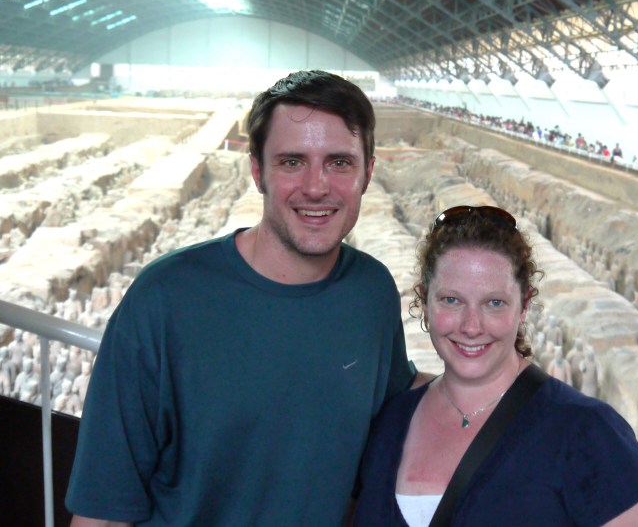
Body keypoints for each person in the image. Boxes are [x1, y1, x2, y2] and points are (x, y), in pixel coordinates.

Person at [67, 70, 418, 527]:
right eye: (292, 162)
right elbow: (102, 510)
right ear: (257, 171)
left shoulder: (372, 292)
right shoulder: (165, 300)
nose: (316, 186)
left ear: (368, 172)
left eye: (339, 162)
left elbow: (396, 403)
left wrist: (494, 376)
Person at [352, 205, 638, 527]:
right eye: (451, 300)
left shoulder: (588, 432)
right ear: (424, 301)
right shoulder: (389, 423)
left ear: (524, 306)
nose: (471, 326)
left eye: (494, 303)